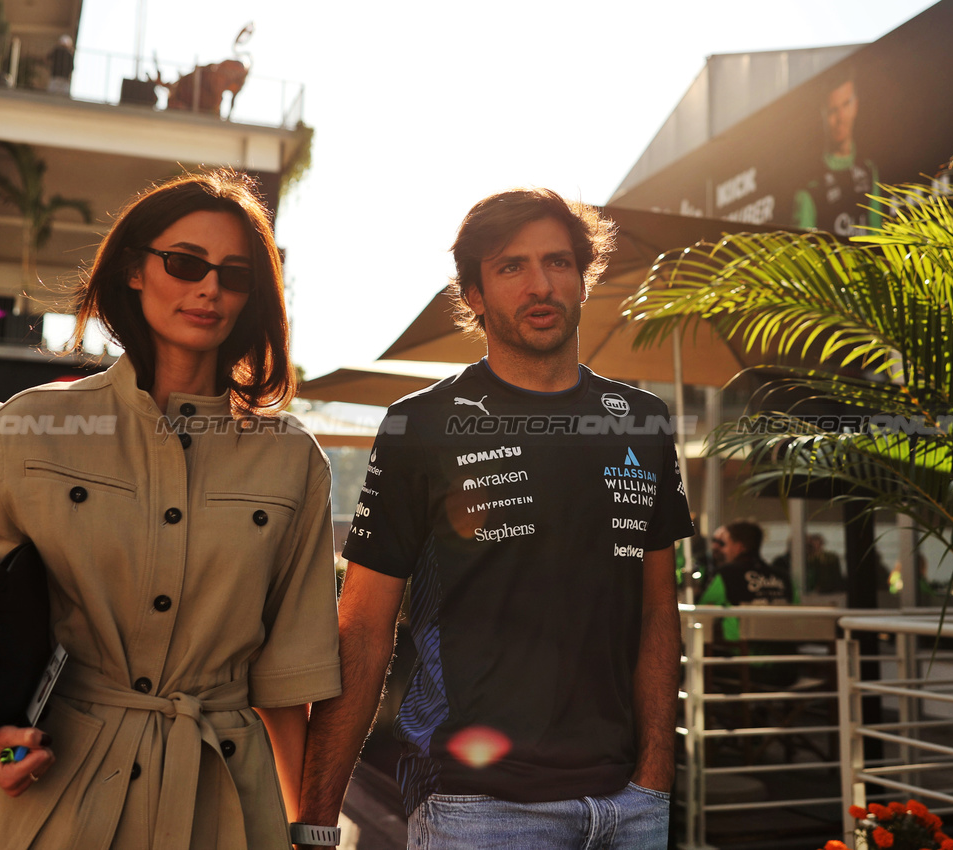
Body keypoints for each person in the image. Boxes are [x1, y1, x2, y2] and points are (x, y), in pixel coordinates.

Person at [0, 169, 340, 850]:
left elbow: (290, 675)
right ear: (134, 271)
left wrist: (309, 832)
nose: (210, 288)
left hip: (224, 799)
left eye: (234, 275)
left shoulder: (291, 460)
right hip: (50, 786)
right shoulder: (33, 426)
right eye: (186, 263)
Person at [297, 189, 694, 849]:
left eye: (558, 262)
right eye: (512, 267)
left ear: (582, 279)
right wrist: (315, 822)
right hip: (476, 808)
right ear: (474, 294)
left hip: (628, 807)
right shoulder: (421, 425)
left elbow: (657, 612)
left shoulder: (641, 421)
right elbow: (363, 628)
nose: (541, 285)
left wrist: (653, 778)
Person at [791, 76, 882, 237]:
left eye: (845, 105)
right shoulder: (810, 184)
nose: (840, 117)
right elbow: (804, 246)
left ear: (855, 106)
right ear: (823, 114)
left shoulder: (868, 167)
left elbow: (878, 236)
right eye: (833, 110)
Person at [699, 521, 793, 642]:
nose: (722, 550)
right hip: (784, 648)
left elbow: (702, 611)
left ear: (739, 547)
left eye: (725, 544)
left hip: (739, 650)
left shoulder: (726, 574)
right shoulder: (783, 577)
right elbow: (795, 612)